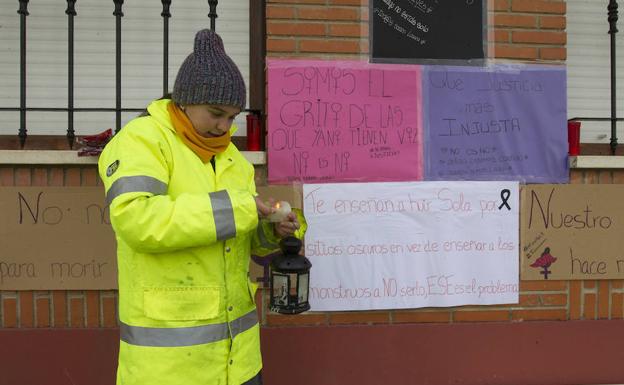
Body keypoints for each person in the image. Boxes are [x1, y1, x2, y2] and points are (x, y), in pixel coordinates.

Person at [98, 29, 300, 385]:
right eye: (215, 113)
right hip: (169, 370)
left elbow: (241, 242)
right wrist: (239, 209)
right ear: (185, 101)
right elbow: (137, 219)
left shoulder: (233, 159)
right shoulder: (141, 141)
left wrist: (270, 229)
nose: (224, 127)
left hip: (240, 363)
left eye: (232, 117)